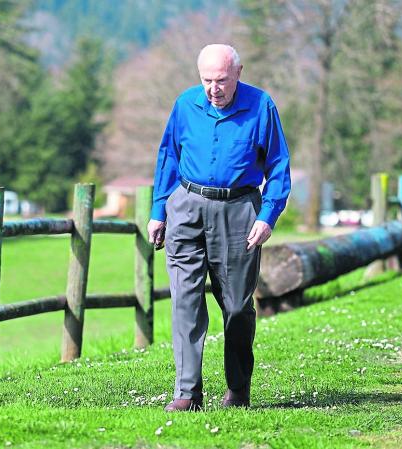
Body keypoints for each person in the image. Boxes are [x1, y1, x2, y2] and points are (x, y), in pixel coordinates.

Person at [148, 44, 291, 411]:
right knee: (185, 300)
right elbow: (168, 157)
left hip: (239, 209)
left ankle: (238, 389)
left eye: (222, 81)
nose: (214, 88)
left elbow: (278, 167)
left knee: (237, 307)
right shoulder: (185, 105)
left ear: (239, 73)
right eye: (207, 80)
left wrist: (267, 216)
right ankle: (186, 393)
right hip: (187, 207)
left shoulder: (261, 107)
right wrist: (159, 210)